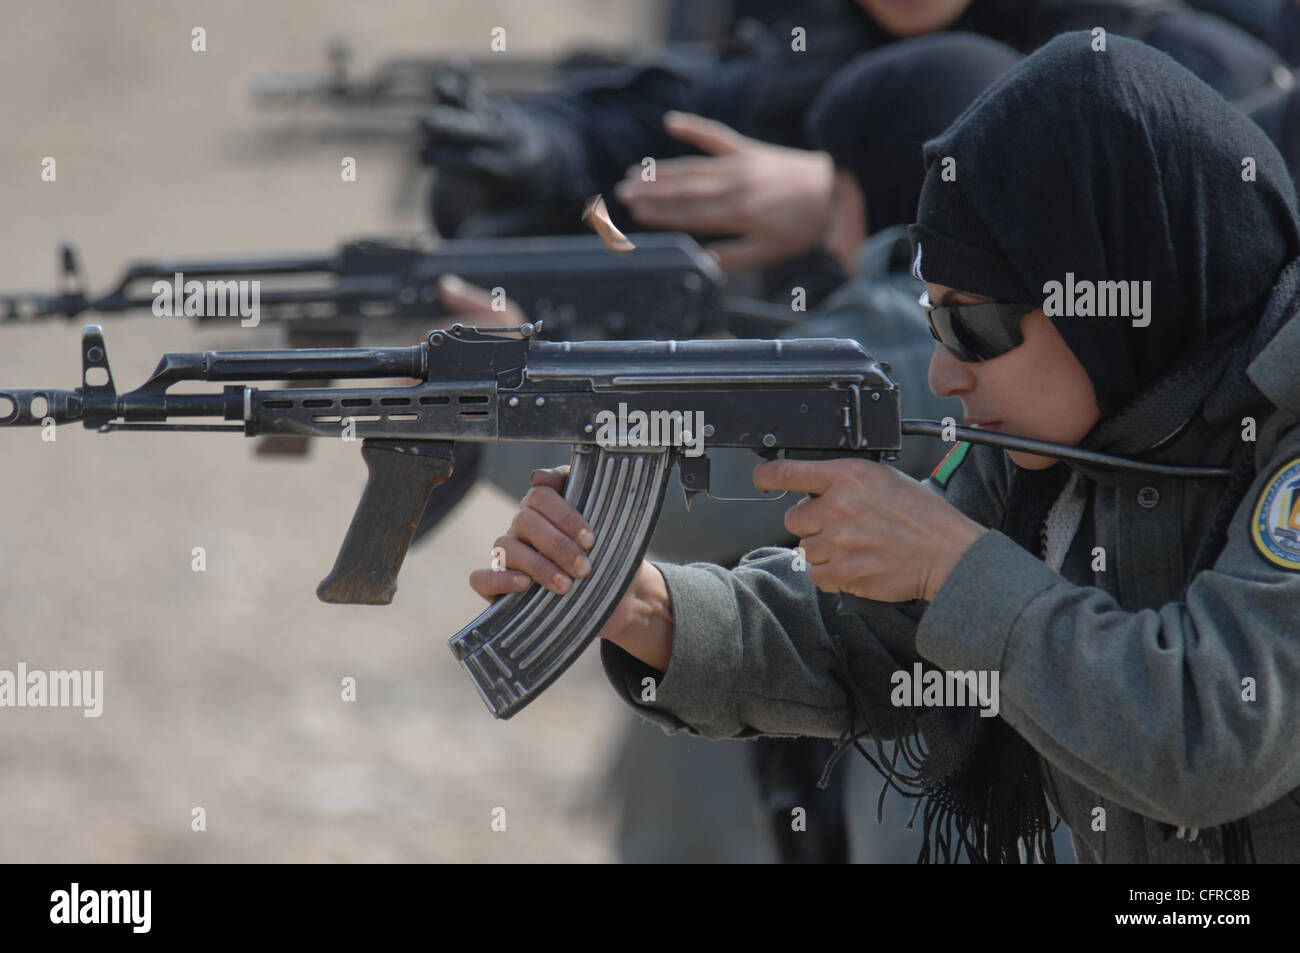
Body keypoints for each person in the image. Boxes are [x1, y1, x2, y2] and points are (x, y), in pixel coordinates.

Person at [468, 33, 1300, 863]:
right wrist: (645, 606)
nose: (945, 371)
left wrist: (953, 562)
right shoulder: (1072, 436)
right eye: (935, 321)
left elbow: (1217, 734)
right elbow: (866, 634)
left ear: (1113, 294)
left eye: (974, 324)